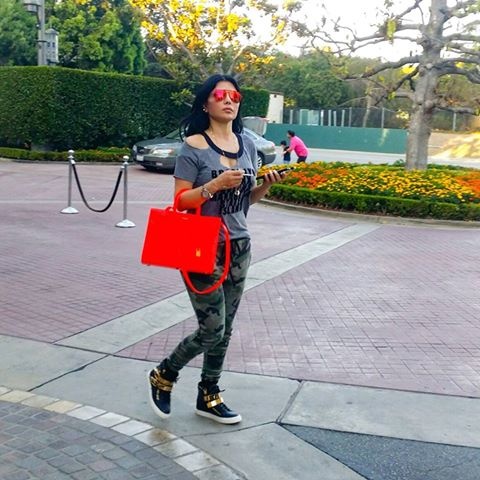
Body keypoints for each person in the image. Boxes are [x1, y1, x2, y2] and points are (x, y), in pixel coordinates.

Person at [148, 74, 286, 425]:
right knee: (212, 329)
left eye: (234, 96)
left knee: (227, 327)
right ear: (206, 103)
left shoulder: (247, 145)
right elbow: (181, 201)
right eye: (220, 95)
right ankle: (165, 373)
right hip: (201, 246)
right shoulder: (193, 147)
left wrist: (265, 186)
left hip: (239, 245)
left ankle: (209, 394)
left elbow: (243, 203)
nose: (228, 100)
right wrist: (214, 185)